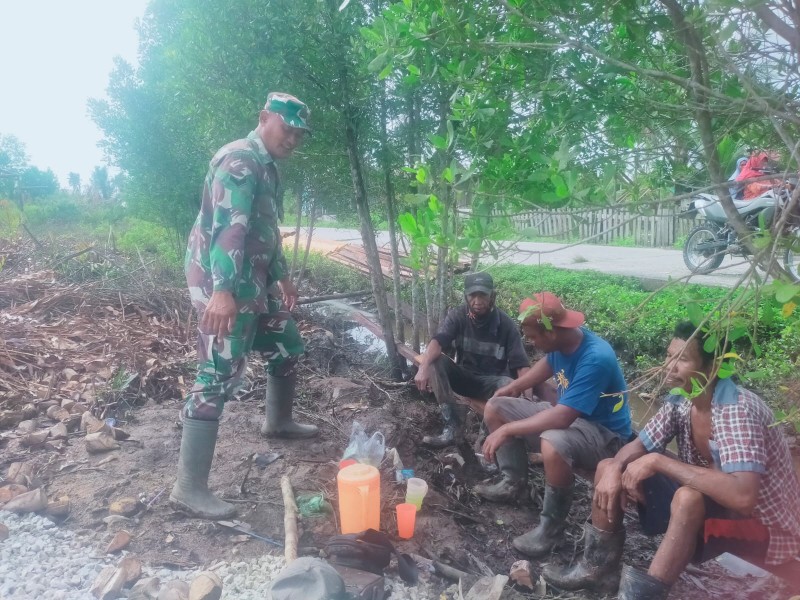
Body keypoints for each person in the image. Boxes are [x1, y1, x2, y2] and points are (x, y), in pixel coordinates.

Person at [543, 322, 800, 599]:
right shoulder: (682, 399)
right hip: (714, 507)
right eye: (669, 355)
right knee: (608, 466)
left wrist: (659, 462)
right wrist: (615, 467)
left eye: (683, 359)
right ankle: (597, 571)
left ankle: (642, 595)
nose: (669, 366)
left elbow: (743, 497)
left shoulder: (736, 409)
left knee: (687, 498)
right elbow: (643, 443)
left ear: (712, 368)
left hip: (763, 528)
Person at [170, 92, 316, 519]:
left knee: (287, 344)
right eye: (286, 129)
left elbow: (265, 228)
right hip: (225, 281)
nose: (292, 139)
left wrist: (281, 275)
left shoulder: (267, 167)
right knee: (217, 374)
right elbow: (228, 231)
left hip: (252, 278)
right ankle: (189, 488)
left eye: (299, 134)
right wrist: (222, 291)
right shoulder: (240, 161)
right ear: (264, 118)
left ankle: (278, 422)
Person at [475, 292, 631, 559]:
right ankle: (513, 483)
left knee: (553, 441)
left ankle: (550, 530)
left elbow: (562, 418)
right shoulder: (561, 344)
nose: (531, 343)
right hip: (575, 421)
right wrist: (512, 387)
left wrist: (508, 429)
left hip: (606, 437)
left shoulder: (595, 357)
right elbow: (547, 365)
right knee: (496, 406)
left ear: (551, 332)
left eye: (534, 337)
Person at [413, 272, 535, 448]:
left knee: (508, 383)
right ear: (465, 296)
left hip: (493, 384)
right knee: (435, 361)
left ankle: (486, 439)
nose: (477, 301)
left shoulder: (506, 324)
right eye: (472, 295)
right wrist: (423, 367)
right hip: (465, 377)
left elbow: (521, 365)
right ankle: (452, 428)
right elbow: (437, 342)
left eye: (483, 295)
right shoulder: (458, 316)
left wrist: (528, 398)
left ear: (492, 296)